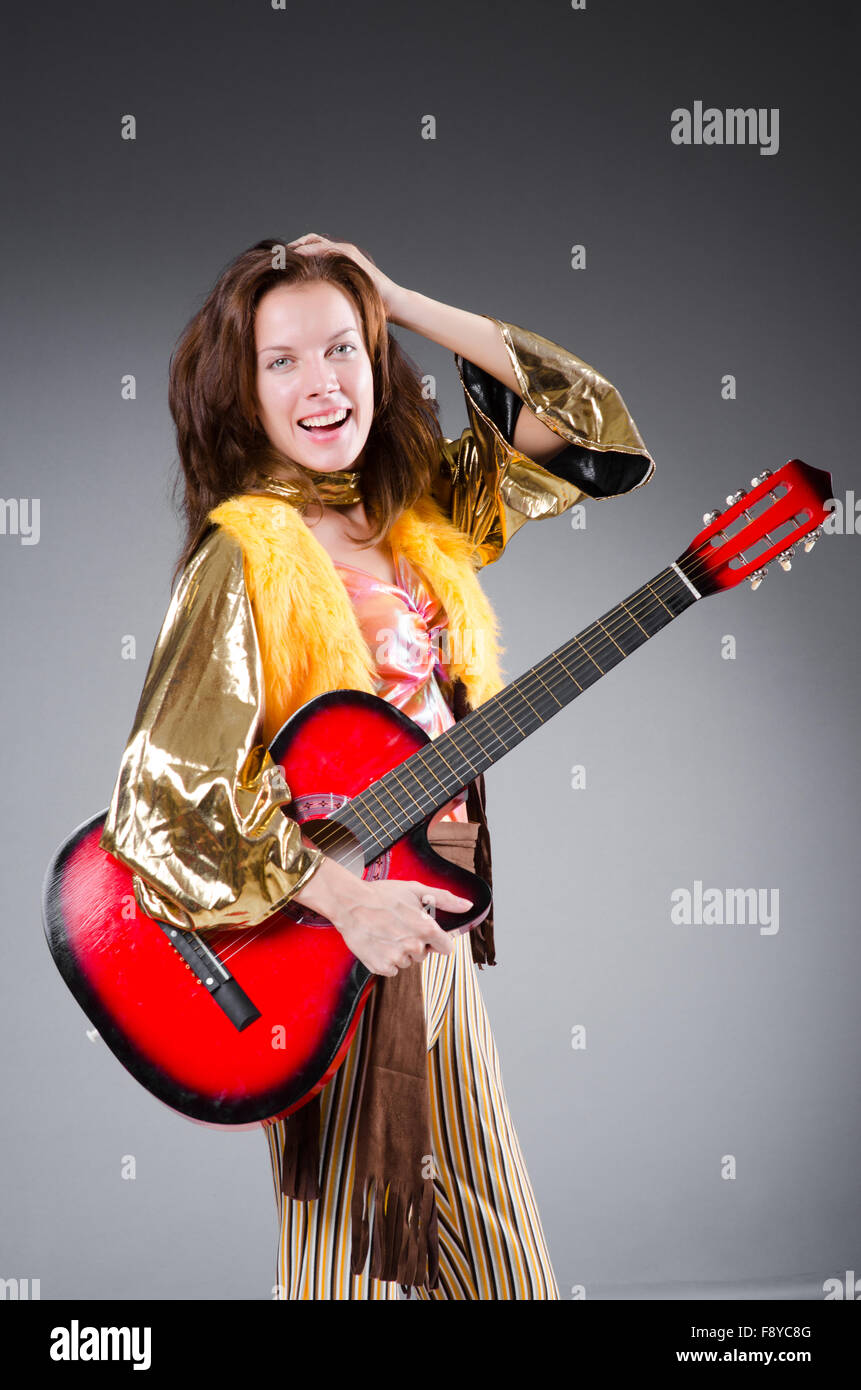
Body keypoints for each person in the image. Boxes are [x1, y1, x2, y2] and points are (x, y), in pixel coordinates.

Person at [98, 233, 655, 1299]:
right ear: (244, 392)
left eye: (344, 348)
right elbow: (163, 794)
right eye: (285, 361)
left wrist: (398, 295)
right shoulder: (243, 554)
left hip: (430, 932)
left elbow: (586, 420)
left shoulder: (424, 516)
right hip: (316, 948)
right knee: (341, 1274)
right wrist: (342, 901)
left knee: (503, 1263)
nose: (321, 385)